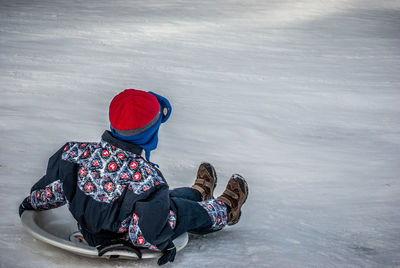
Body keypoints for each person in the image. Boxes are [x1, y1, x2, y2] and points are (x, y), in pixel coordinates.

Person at [18, 89, 249, 265]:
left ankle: (198, 192)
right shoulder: (146, 177)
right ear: (151, 135)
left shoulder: (75, 155)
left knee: (163, 199)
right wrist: (163, 243)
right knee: (183, 213)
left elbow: (53, 189)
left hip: (99, 225)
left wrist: (31, 202)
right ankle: (225, 210)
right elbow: (145, 235)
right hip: (124, 237)